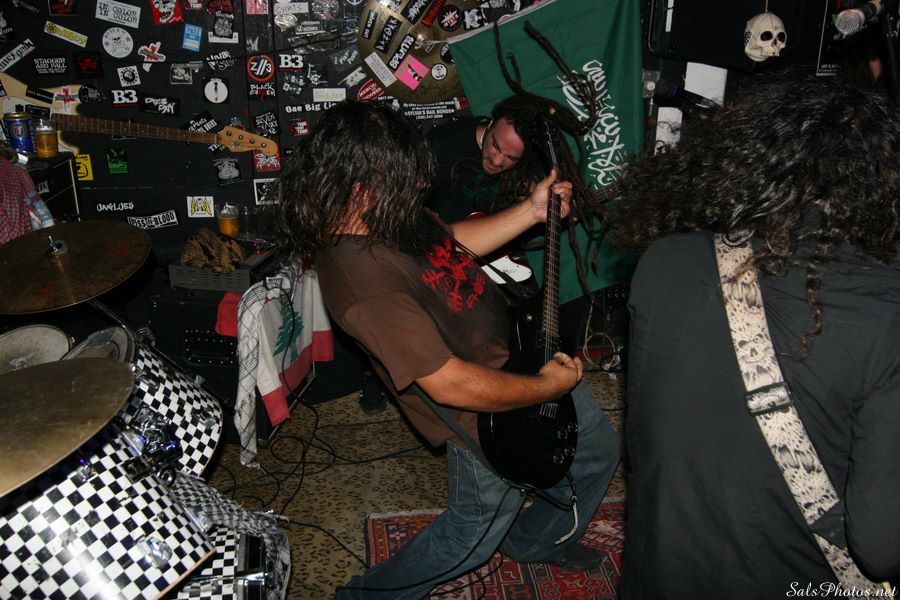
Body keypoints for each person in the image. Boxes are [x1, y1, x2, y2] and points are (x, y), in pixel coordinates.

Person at [276, 101, 620, 599]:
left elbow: (448, 244)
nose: (421, 184)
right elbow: (450, 383)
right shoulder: (362, 284)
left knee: (598, 452)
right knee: (471, 536)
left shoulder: (384, 213)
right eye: (405, 178)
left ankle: (534, 542)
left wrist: (531, 210)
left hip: (519, 356)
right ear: (359, 187)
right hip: (481, 413)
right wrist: (546, 387)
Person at [611, 70, 900, 598]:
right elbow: (881, 546)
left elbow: (654, 436)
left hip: (658, 572)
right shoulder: (885, 308)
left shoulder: (665, 258)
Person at [426, 95, 632, 357]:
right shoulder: (443, 144)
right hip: (434, 258)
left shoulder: (523, 170)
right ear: (490, 122)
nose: (497, 161)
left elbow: (530, 199)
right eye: (495, 146)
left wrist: (559, 210)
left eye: (511, 157)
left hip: (486, 269)